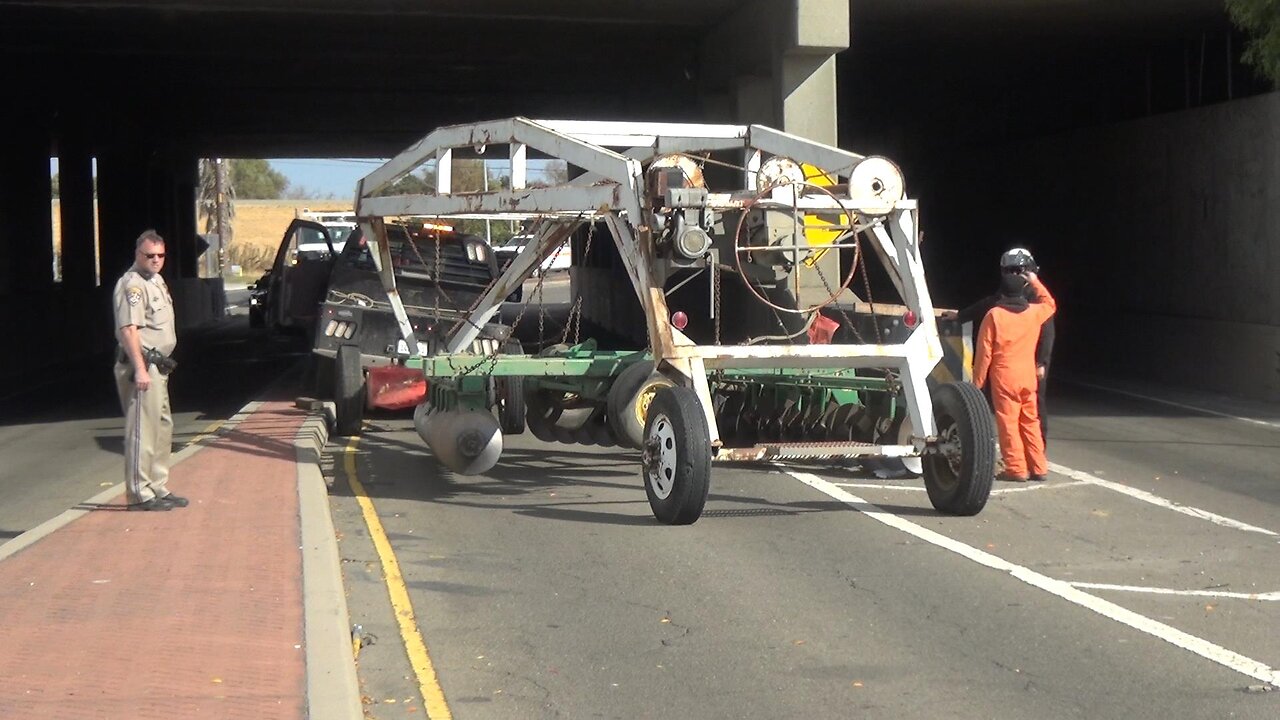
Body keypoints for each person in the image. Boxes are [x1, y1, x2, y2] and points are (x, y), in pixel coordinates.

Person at [942, 248, 1055, 443]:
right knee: (1009, 417)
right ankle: (1019, 463)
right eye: (1009, 270)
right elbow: (988, 303)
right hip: (1011, 367)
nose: (1013, 275)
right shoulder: (1007, 293)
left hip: (1031, 363)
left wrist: (1042, 362)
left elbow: (1048, 331)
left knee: (1034, 412)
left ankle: (1036, 458)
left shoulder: (1036, 297)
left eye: (1018, 270)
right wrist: (960, 316)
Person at [113, 230, 189, 511]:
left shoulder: (156, 281)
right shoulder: (132, 285)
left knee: (161, 428)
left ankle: (157, 485)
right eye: (150, 255)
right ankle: (139, 492)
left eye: (160, 255)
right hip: (143, 366)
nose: (156, 260)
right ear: (138, 255)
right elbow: (129, 330)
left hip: (159, 366)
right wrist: (140, 369)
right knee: (142, 431)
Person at [972, 270, 1057, 482]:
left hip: (1005, 376)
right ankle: (1038, 466)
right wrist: (1036, 282)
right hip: (1028, 375)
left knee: (1008, 423)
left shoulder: (994, 315)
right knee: (1030, 421)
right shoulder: (1034, 312)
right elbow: (1050, 304)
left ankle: (1016, 468)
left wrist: (977, 385)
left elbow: (984, 354)